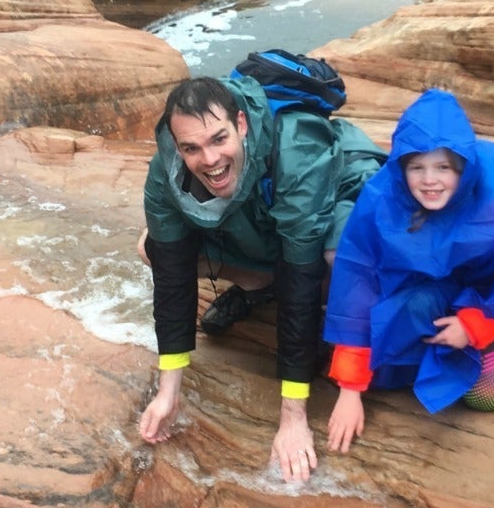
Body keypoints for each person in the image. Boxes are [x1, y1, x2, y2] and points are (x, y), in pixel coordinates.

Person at [323, 88, 494, 452]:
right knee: (379, 367)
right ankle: (427, 356)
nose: (429, 181)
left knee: (485, 400)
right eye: (416, 167)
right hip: (431, 288)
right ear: (401, 167)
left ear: (463, 166)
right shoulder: (381, 199)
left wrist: (475, 325)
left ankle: (482, 346)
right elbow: (357, 283)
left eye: (443, 167)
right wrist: (350, 389)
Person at [138, 75, 384, 481]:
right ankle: (258, 289)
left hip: (334, 193)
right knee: (151, 246)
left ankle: (336, 322)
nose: (210, 158)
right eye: (192, 148)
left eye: (219, 139)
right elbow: (171, 272)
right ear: (176, 145)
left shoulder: (296, 150)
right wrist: (169, 391)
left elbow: (300, 274)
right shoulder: (165, 170)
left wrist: (293, 418)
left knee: (333, 258)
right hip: (263, 218)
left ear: (242, 124)